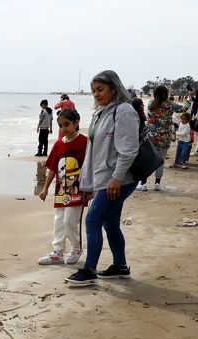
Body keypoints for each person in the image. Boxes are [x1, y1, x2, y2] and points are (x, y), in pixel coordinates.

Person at [66, 70, 139, 286]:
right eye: (93, 91)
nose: (96, 94)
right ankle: (120, 266)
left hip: (119, 180)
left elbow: (129, 150)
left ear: (114, 89)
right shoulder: (100, 112)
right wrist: (87, 182)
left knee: (92, 220)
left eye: (101, 90)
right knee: (110, 224)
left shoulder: (124, 111)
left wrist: (116, 178)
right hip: (105, 179)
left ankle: (89, 270)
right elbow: (93, 151)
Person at [37, 109, 88, 266]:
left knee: (70, 221)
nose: (63, 129)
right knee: (58, 221)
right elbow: (52, 167)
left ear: (76, 122)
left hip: (78, 191)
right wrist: (45, 188)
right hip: (60, 191)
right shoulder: (59, 144)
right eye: (60, 125)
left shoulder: (85, 142)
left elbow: (90, 166)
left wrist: (90, 188)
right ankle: (57, 252)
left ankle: (76, 248)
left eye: (67, 124)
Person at [139, 85, 183, 191]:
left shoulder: (150, 104)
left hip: (151, 136)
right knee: (161, 160)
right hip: (164, 137)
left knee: (148, 160)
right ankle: (157, 184)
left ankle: (143, 184)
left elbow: (148, 119)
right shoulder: (170, 105)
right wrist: (190, 98)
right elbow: (184, 108)